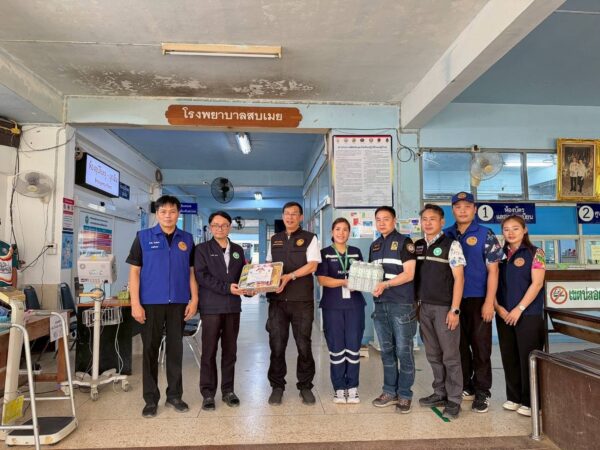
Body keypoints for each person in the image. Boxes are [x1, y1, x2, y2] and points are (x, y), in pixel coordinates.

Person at [127, 195, 198, 418]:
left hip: (178, 302)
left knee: (175, 351)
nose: (168, 215)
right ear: (157, 214)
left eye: (172, 211)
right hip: (150, 303)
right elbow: (134, 272)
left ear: (178, 214)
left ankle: (175, 395)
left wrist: (194, 299)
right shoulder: (143, 237)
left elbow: (191, 272)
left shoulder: (187, 239)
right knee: (150, 350)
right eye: (163, 211)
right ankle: (150, 399)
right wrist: (135, 303)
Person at [444, 192, 504, 413]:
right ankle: (466, 385)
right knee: (458, 347)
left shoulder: (485, 234)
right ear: (452, 210)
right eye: (458, 207)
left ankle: (482, 391)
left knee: (481, 347)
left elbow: (494, 271)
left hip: (478, 299)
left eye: (467, 206)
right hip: (453, 301)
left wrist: (489, 302)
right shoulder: (446, 234)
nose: (462, 210)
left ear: (475, 209)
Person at [266, 201, 321, 405]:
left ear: (301, 217)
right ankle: (277, 386)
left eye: (294, 214)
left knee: (303, 345)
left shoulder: (310, 238)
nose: (290, 217)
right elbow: (270, 266)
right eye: (287, 214)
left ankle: (305, 386)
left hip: (302, 301)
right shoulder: (275, 239)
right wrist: (261, 282)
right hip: (277, 301)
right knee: (277, 345)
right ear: (282, 216)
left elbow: (312, 265)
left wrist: (290, 276)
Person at [414, 204, 466, 419]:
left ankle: (454, 399)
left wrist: (455, 310)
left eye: (432, 219)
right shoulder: (417, 246)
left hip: (444, 308)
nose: (428, 223)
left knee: (450, 356)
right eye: (424, 219)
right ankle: (440, 392)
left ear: (442, 222)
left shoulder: (451, 245)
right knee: (433, 354)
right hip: (423, 307)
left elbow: (459, 278)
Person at [194, 211, 246, 411]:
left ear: (229, 227)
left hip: (233, 308)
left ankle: (228, 391)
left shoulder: (238, 250)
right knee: (209, 352)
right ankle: (208, 393)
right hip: (211, 308)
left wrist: (250, 288)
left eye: (224, 225)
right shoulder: (202, 250)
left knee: (230, 352)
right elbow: (202, 276)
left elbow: (242, 276)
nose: (220, 228)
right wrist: (227, 288)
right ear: (210, 228)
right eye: (215, 225)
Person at [495, 215, 546, 417]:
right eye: (506, 229)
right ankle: (514, 397)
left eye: (515, 228)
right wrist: (498, 308)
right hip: (504, 314)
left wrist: (520, 308)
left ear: (524, 230)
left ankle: (531, 401)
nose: (510, 233)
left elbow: (537, 283)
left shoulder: (536, 253)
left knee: (528, 357)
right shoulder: (498, 255)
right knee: (509, 356)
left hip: (528, 314)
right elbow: (491, 282)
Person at [369, 206, 417, 414]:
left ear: (394, 220)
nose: (382, 223)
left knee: (403, 351)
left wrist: (386, 284)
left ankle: (404, 394)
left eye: (386, 219)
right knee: (386, 351)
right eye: (378, 219)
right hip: (381, 305)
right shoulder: (375, 245)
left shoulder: (405, 242)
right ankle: (389, 391)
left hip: (401, 304)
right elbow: (373, 275)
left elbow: (409, 274)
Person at [316, 218, 366, 404]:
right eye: (338, 229)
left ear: (349, 233)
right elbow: (322, 279)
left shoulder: (356, 252)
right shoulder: (325, 253)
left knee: (353, 347)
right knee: (336, 348)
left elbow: (363, 276)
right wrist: (344, 282)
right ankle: (338, 388)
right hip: (333, 306)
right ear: (332, 232)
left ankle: (352, 387)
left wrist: (360, 282)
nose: (341, 233)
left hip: (355, 306)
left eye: (345, 229)